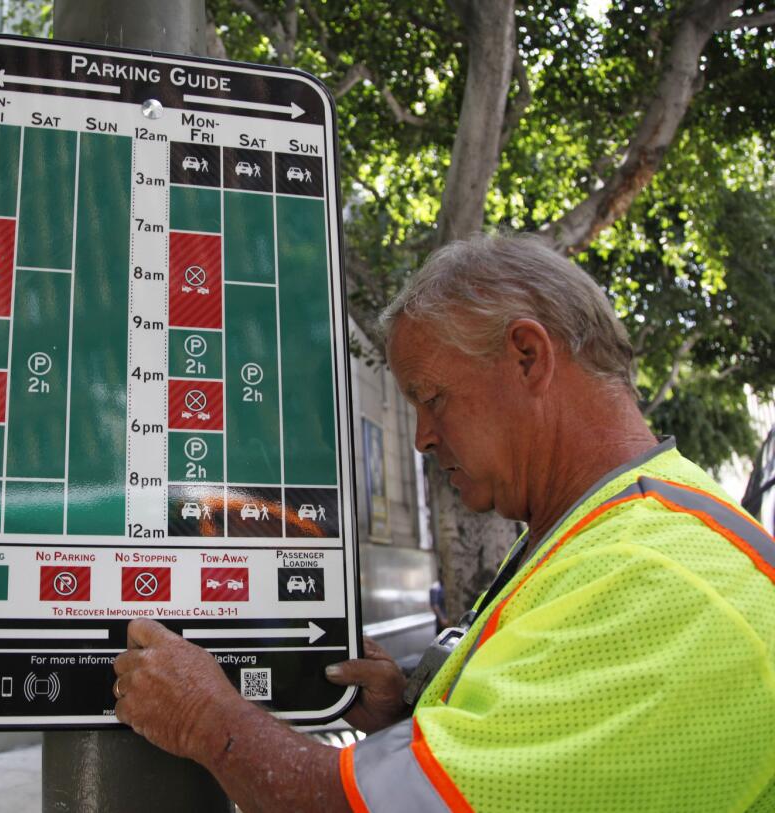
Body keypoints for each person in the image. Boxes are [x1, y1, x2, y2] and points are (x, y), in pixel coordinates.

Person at [111, 234, 775, 811]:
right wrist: (410, 718)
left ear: (526, 355)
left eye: (432, 398)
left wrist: (209, 720)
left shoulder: (656, 576)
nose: (423, 437)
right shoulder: (604, 533)